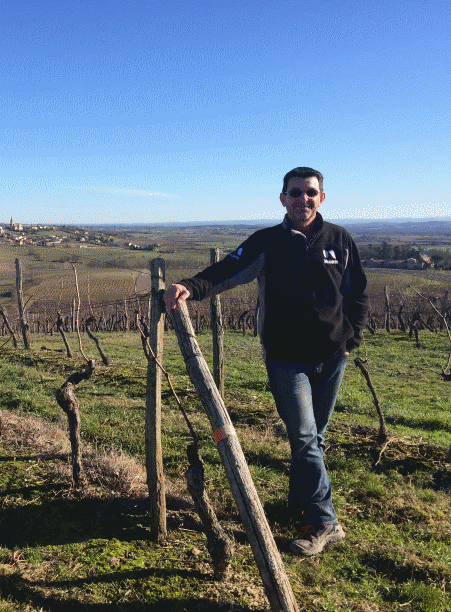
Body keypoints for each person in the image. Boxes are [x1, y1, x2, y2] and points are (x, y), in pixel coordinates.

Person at [164, 167, 368, 557]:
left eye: (310, 193)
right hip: (286, 359)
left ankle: (302, 505)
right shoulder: (268, 242)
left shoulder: (339, 240)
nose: (302, 200)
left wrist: (350, 339)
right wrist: (190, 286)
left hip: (331, 356)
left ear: (321, 198)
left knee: (312, 439)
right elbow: (229, 269)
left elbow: (357, 292)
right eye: (295, 193)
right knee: (306, 437)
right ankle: (325, 522)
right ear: (283, 199)